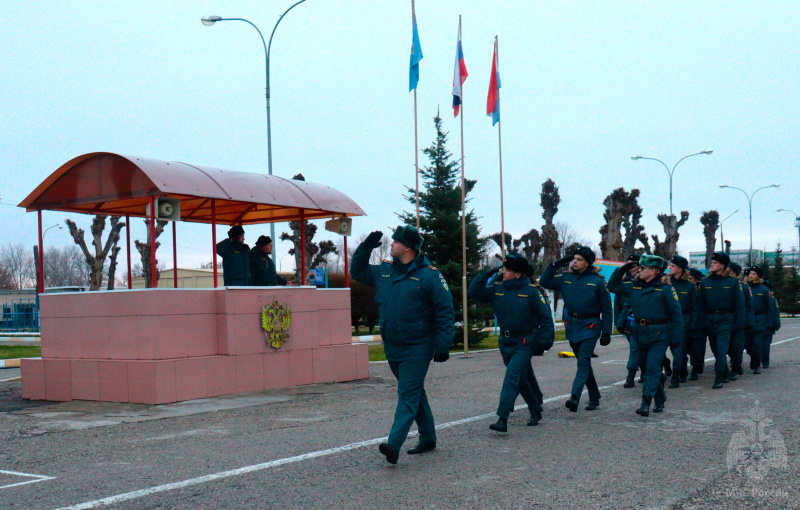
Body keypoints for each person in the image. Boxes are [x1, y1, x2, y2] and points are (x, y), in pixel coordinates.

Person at [350, 226, 455, 465]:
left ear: (408, 247)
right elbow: (357, 272)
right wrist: (365, 247)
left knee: (407, 393)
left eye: (396, 241)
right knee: (414, 391)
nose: (391, 244)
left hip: (418, 346)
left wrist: (443, 343)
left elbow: (444, 310)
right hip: (393, 346)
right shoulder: (385, 271)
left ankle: (393, 444)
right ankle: (428, 437)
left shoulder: (430, 275)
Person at [468, 253, 555, 432]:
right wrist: (486, 273)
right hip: (505, 341)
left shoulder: (531, 291)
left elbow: (546, 317)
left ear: (518, 274)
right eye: (503, 269)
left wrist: (545, 341)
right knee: (520, 379)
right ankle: (535, 409)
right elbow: (474, 292)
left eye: (507, 270)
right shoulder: (498, 287)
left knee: (512, 375)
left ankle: (502, 417)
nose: (503, 272)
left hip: (524, 341)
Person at [608, 254, 683, 416]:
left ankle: (645, 403)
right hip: (638, 334)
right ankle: (660, 399)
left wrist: (676, 338)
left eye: (643, 268)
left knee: (652, 369)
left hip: (659, 334)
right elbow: (612, 287)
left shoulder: (665, 289)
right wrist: (621, 270)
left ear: (653, 271)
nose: (639, 270)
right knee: (646, 368)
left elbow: (676, 315)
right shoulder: (634, 286)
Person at [540, 246, 612, 412]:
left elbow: (607, 309)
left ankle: (575, 397)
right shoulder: (565, 278)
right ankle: (594, 396)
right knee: (583, 362)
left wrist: (606, 332)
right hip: (572, 325)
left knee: (583, 360)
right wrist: (554, 265)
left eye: (579, 260)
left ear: (587, 263)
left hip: (591, 325)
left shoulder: (598, 281)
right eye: (574, 259)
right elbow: (544, 282)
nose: (575, 262)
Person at [696, 252, 745, 389]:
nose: (711, 265)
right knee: (715, 348)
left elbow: (739, 305)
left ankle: (719, 375)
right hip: (710, 320)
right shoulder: (706, 282)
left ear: (722, 266)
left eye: (715, 263)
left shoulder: (733, 282)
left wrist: (740, 324)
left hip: (726, 319)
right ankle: (725, 371)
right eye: (712, 262)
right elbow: (701, 304)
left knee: (721, 346)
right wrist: (701, 322)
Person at [665, 255, 699, 388]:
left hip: (682, 321)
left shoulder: (689, 287)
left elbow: (694, 308)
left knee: (679, 350)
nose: (670, 268)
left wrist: (692, 324)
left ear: (680, 269)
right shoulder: (666, 284)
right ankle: (675, 369)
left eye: (673, 266)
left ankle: (677, 374)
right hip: (665, 321)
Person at [613, 254, 641, 388]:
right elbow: (618, 304)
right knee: (635, 348)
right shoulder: (623, 282)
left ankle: (631, 376)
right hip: (627, 321)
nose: (629, 265)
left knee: (636, 348)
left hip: (641, 320)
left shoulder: (642, 281)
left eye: (632, 263)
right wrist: (618, 322)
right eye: (627, 263)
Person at [725, 262, 754, 380]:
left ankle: (735, 368)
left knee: (737, 346)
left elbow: (750, 306)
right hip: (726, 321)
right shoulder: (723, 285)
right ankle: (735, 363)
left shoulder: (744, 287)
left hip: (739, 322)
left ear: (735, 273)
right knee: (726, 346)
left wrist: (749, 322)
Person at [743, 266, 774, 374]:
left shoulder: (764, 290)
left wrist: (769, 323)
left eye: (754, 274)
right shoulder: (745, 288)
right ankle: (754, 357)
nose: (750, 275)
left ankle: (757, 365)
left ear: (758, 277)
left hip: (759, 320)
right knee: (747, 344)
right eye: (750, 273)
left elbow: (769, 308)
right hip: (748, 320)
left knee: (757, 344)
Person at [685, 268, 708, 380]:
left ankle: (696, 367)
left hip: (700, 322)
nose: (688, 281)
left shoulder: (702, 290)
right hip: (689, 320)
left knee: (697, 348)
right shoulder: (686, 289)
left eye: (690, 279)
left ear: (696, 280)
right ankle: (697, 363)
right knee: (688, 347)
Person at [762, 280, 781, 368]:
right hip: (759, 323)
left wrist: (776, 324)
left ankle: (765, 362)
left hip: (769, 326)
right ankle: (758, 359)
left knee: (766, 345)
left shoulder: (772, 299)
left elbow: (776, 312)